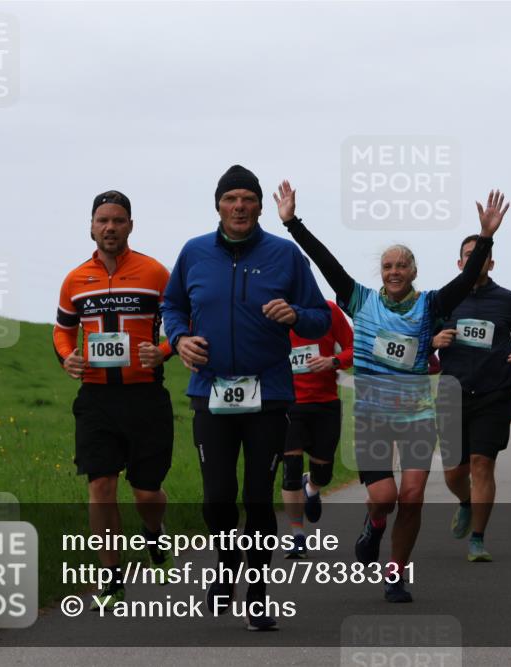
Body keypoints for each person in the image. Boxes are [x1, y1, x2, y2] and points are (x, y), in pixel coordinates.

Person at [276, 181, 509, 602]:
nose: (395, 271)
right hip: (373, 417)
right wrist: (293, 223)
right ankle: (374, 525)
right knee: (383, 498)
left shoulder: (431, 305)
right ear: (380, 273)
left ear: (414, 271)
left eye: (402, 265)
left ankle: (396, 573)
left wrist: (487, 235)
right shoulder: (359, 300)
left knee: (413, 497)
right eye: (387, 266)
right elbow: (325, 261)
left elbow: (467, 278)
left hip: (417, 417)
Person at [161, 166, 331, 631]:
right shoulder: (194, 253)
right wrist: (178, 339)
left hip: (269, 396)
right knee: (217, 499)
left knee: (257, 499)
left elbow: (319, 319)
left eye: (248, 199)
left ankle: (257, 595)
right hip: (210, 394)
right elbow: (172, 305)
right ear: (218, 205)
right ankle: (227, 560)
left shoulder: (284, 255)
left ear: (259, 206)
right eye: (231, 198)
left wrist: (295, 313)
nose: (239, 206)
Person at [53, 190, 176, 611]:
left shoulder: (155, 272)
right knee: (100, 487)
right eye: (102, 220)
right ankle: (110, 579)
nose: (110, 227)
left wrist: (161, 350)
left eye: (118, 220)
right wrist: (66, 357)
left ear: (130, 225)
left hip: (145, 398)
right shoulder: (74, 279)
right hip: (97, 398)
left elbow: (183, 324)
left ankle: (155, 535)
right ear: (91, 225)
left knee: (146, 494)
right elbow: (63, 330)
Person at [430, 235, 511, 562]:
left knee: (482, 464)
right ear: (460, 264)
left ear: (491, 262)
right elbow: (422, 338)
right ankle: (464, 502)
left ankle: (477, 538)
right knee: (453, 473)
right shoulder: (444, 299)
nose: (476, 260)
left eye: (482, 255)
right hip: (453, 393)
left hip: (493, 393)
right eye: (468, 256)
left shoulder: (507, 299)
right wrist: (436, 338)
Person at [282, 300, 354, 558]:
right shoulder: (273, 311)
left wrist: (333, 361)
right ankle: (297, 536)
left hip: (325, 404)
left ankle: (311, 487)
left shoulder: (328, 310)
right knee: (289, 469)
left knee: (323, 473)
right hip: (288, 403)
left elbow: (352, 348)